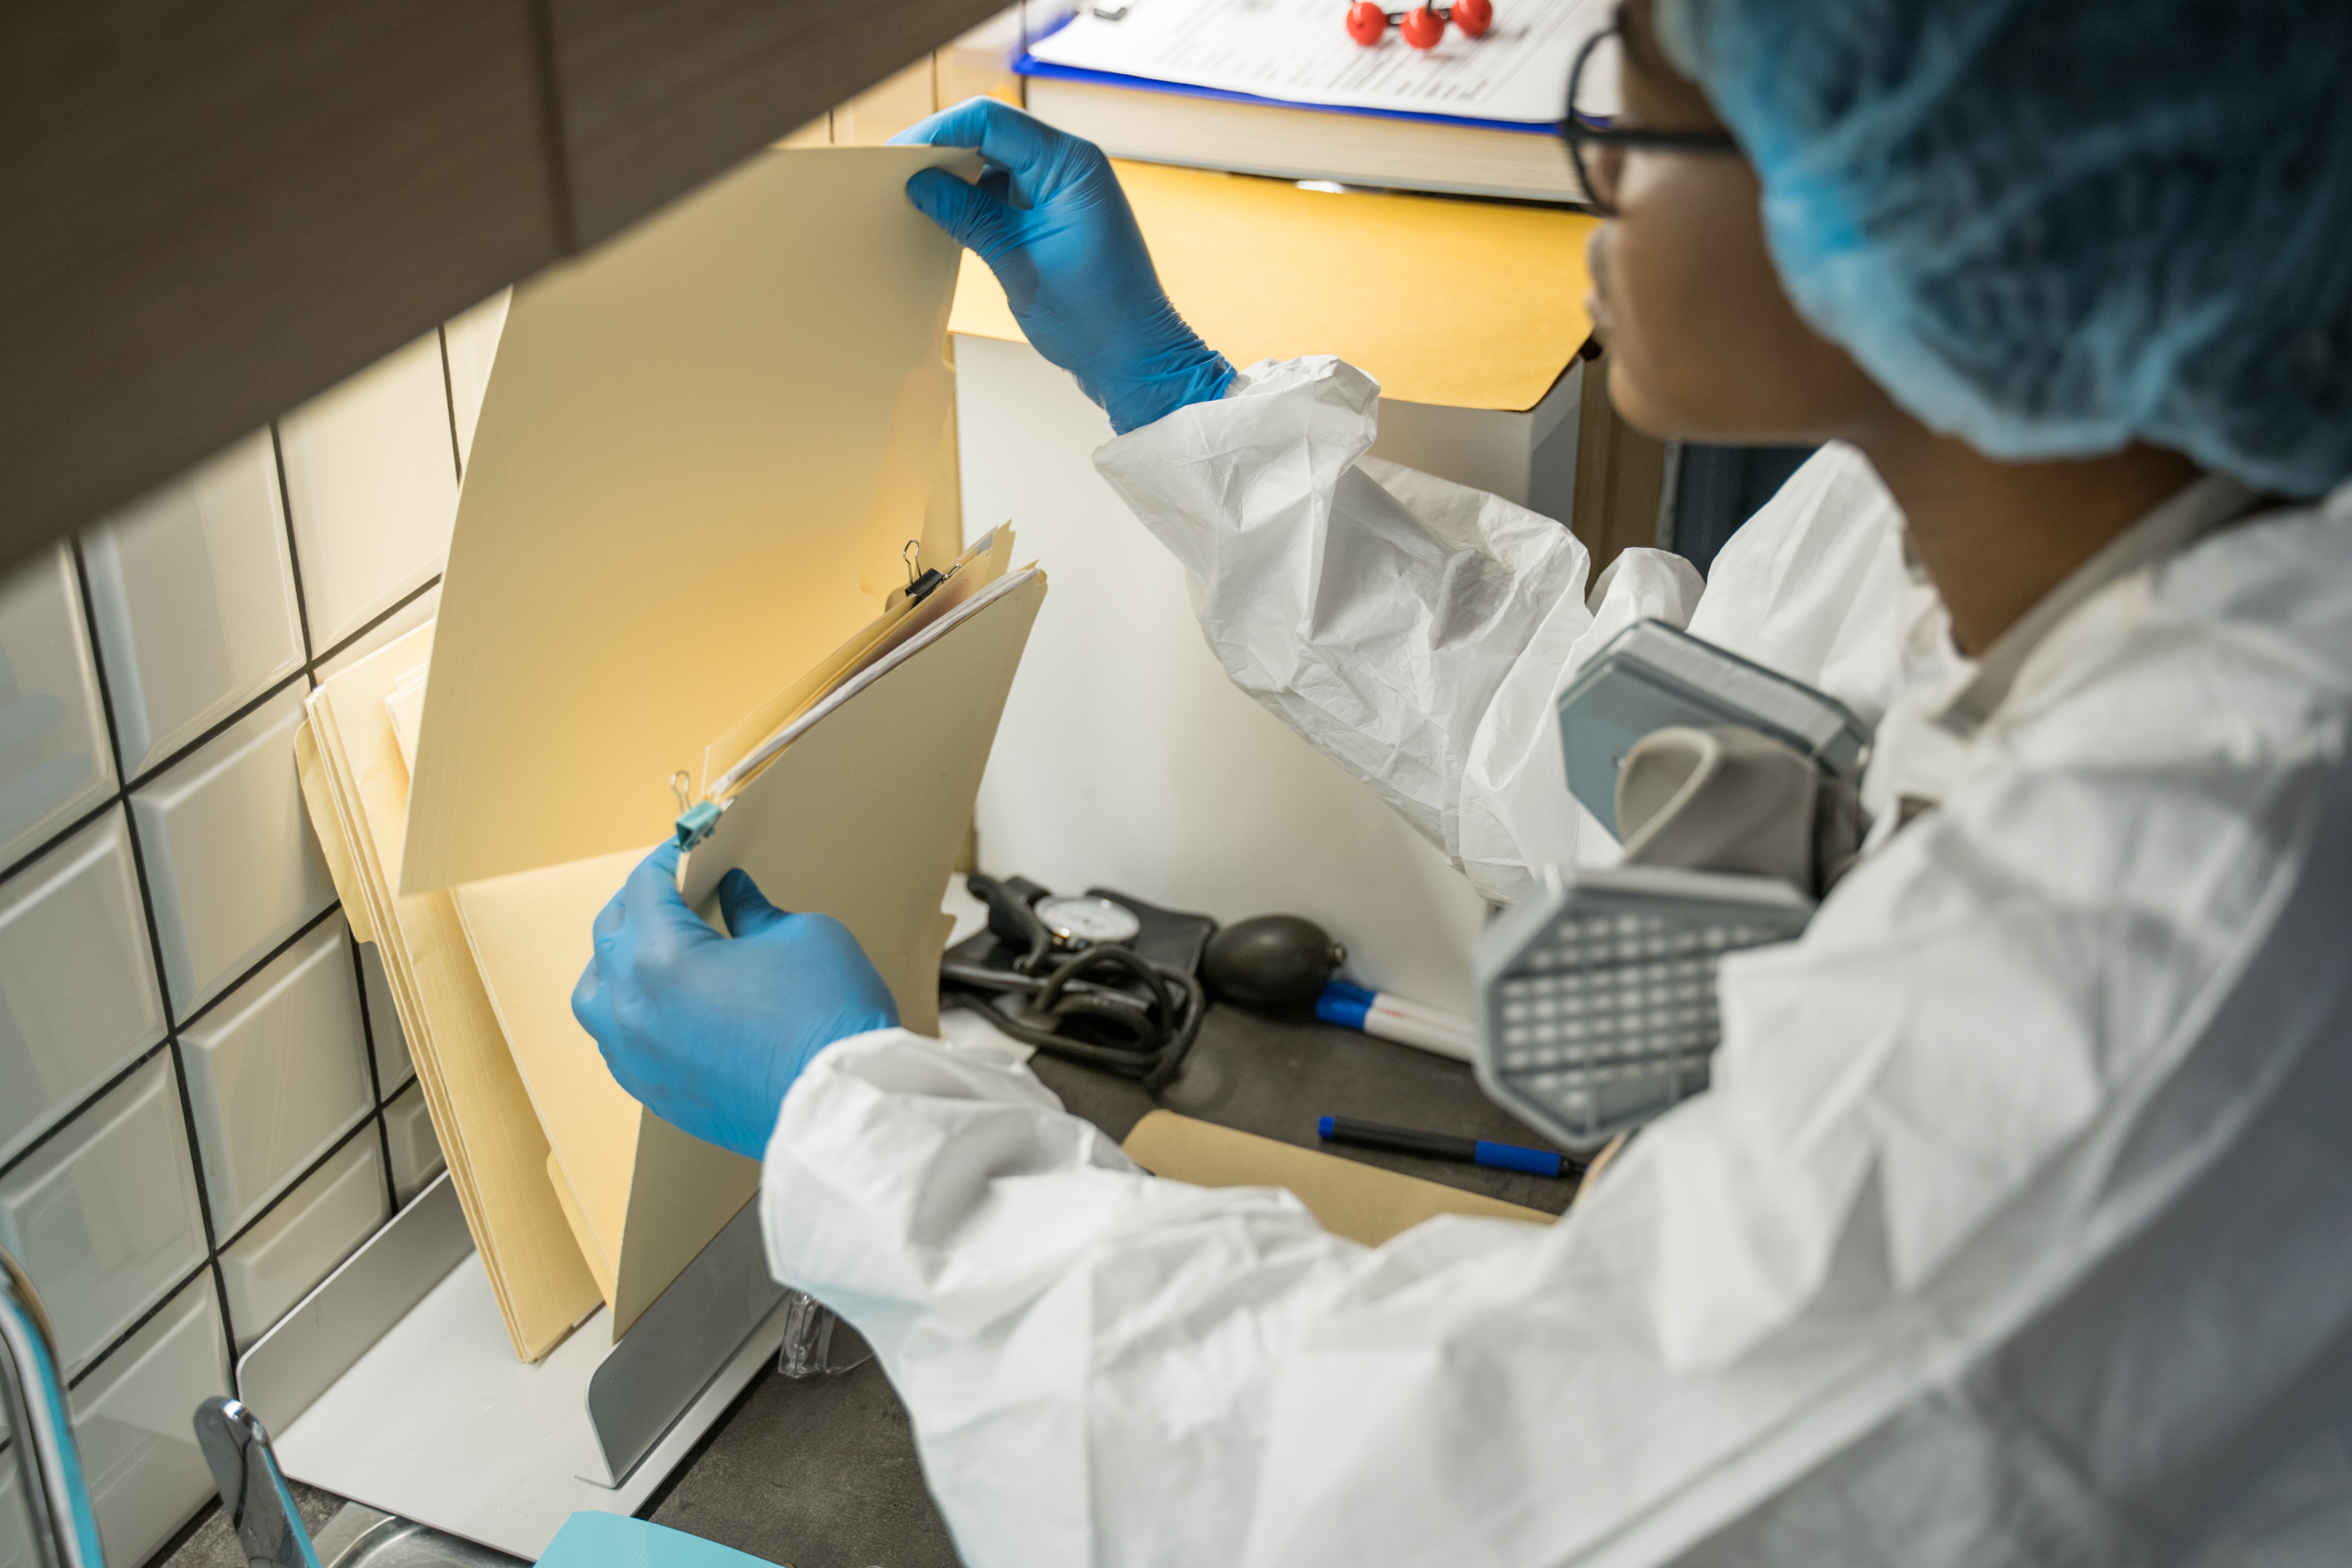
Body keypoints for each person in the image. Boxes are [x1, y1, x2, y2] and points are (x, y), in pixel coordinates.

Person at [571, 0, 2352, 1560]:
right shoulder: (2022, 510)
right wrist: (1179, 397)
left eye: (1629, 98)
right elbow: (1648, 746)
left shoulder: (2150, 960)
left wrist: (856, 1121)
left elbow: (1405, 1506)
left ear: (1940, 192)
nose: (1591, 177)